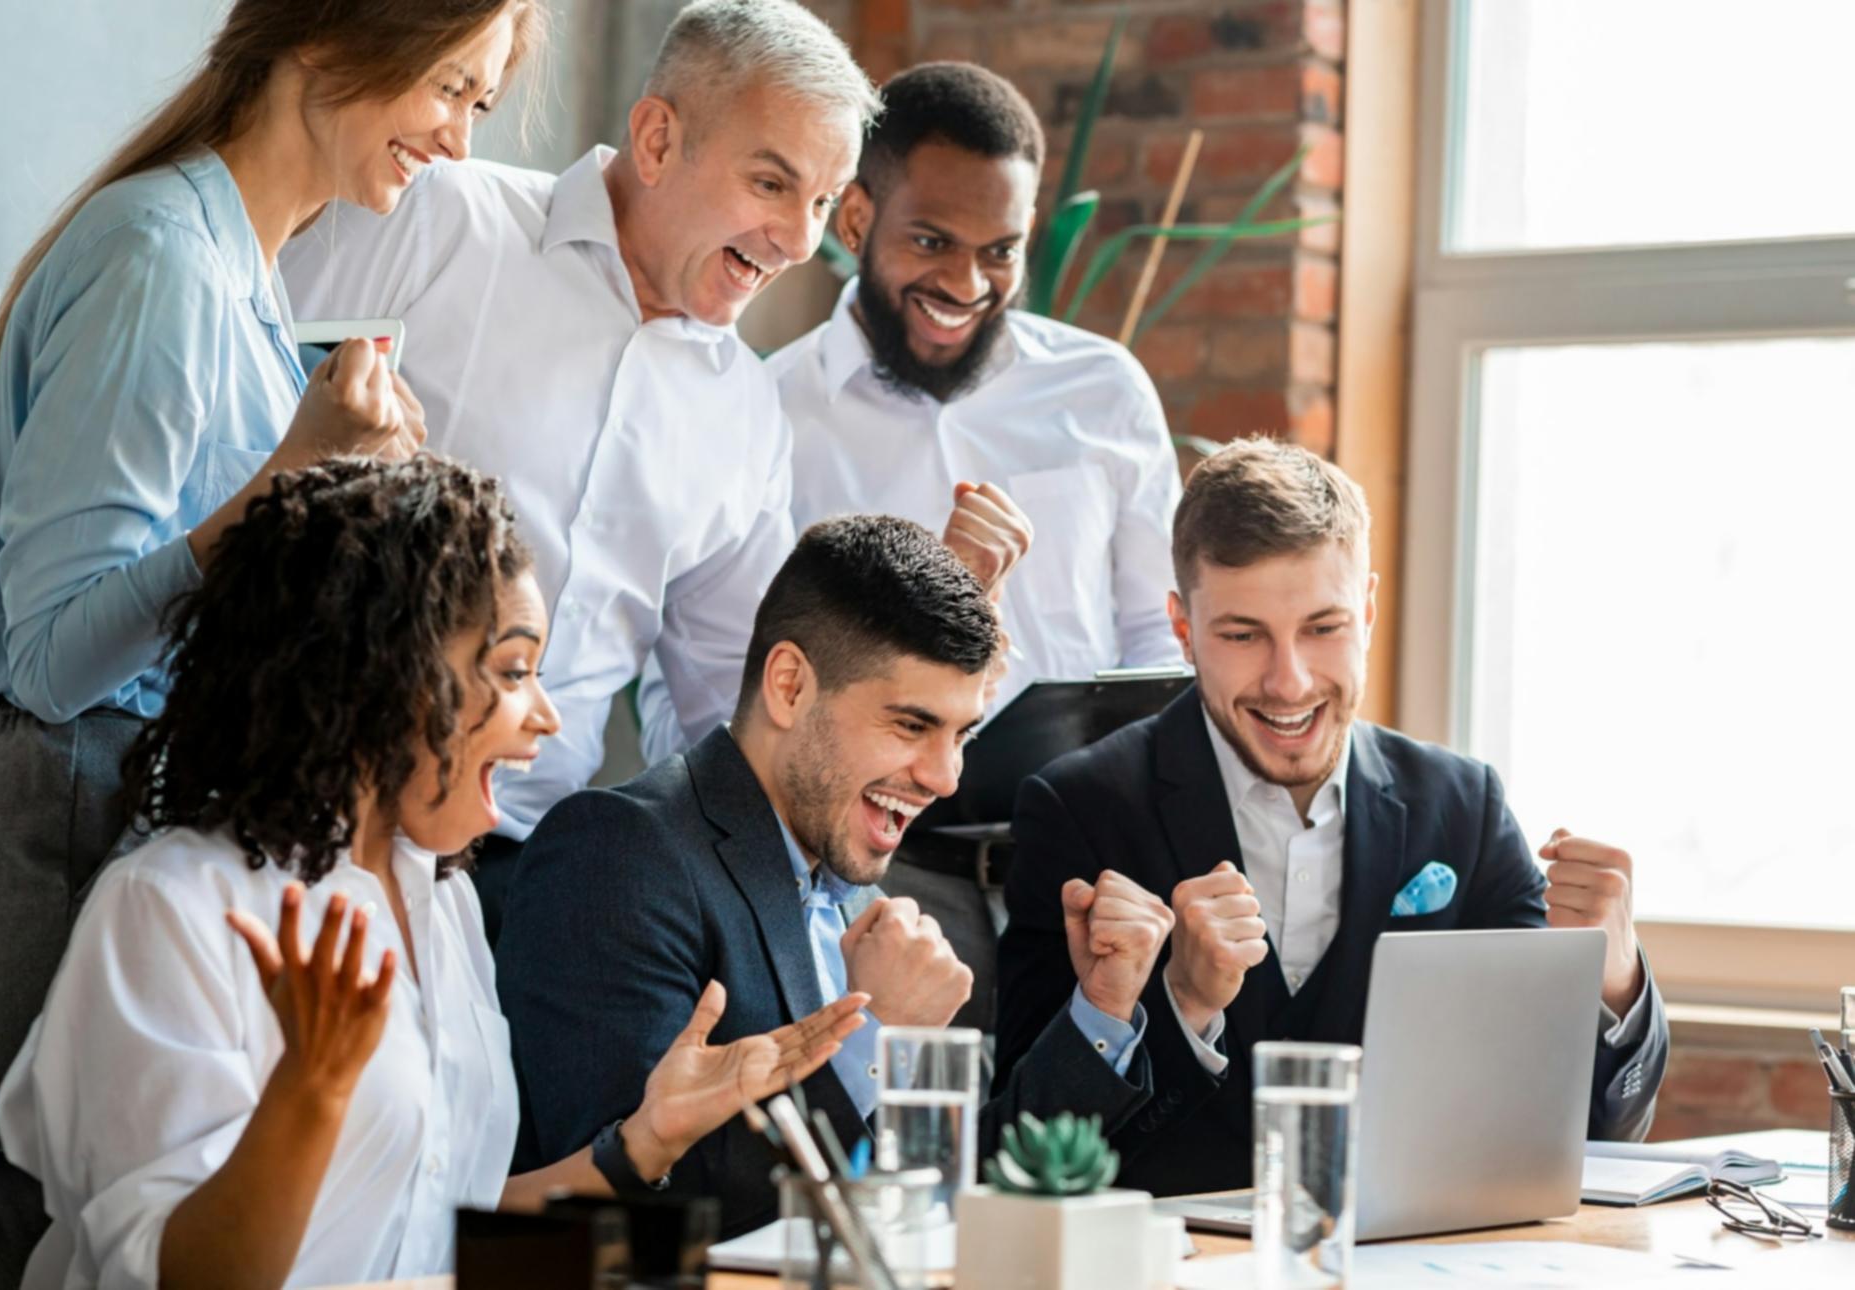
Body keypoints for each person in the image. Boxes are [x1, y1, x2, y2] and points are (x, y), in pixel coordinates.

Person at [0, 0, 551, 1153]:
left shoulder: (245, 273)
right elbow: (56, 663)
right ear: (328, 37)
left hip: (123, 807)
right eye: (449, 88)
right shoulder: (157, 257)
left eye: (480, 103)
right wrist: (290, 474)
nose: (461, 140)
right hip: (58, 823)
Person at [0, 456, 867, 1290]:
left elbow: (443, 1236)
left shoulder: (437, 896)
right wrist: (311, 1089)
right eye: (514, 671)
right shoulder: (172, 909)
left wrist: (642, 1142)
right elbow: (185, 1278)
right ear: (385, 670)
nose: (546, 718)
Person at [282, 1, 1038, 941]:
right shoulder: (437, 218)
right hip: (305, 817)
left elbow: (735, 711)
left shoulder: (746, 416)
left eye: (819, 202)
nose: (799, 242)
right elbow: (243, 445)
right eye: (772, 183)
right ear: (655, 137)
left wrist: (928, 631)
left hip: (526, 881)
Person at [995, 437, 1669, 1196]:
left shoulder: (1463, 807)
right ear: (1183, 630)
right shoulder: (1079, 809)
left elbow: (1588, 1134)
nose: (1290, 682)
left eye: (1324, 628)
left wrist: (1612, 983)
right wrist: (1180, 1004)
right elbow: (1017, 1147)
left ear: (1370, 610)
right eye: (1242, 635)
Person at [497, 516, 1177, 1237]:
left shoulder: (857, 886)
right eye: (912, 727)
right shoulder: (618, 853)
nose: (946, 780)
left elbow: (966, 1183)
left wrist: (1101, 1011)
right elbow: (632, 1207)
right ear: (789, 686)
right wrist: (875, 1037)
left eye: (962, 736)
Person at [764, 61, 1185, 1030]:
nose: (965, 283)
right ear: (855, 220)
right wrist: (943, 595)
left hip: (1090, 886)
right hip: (879, 894)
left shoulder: (1103, 392)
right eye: (930, 242)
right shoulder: (769, 416)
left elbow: (1158, 646)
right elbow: (742, 693)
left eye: (1000, 250)